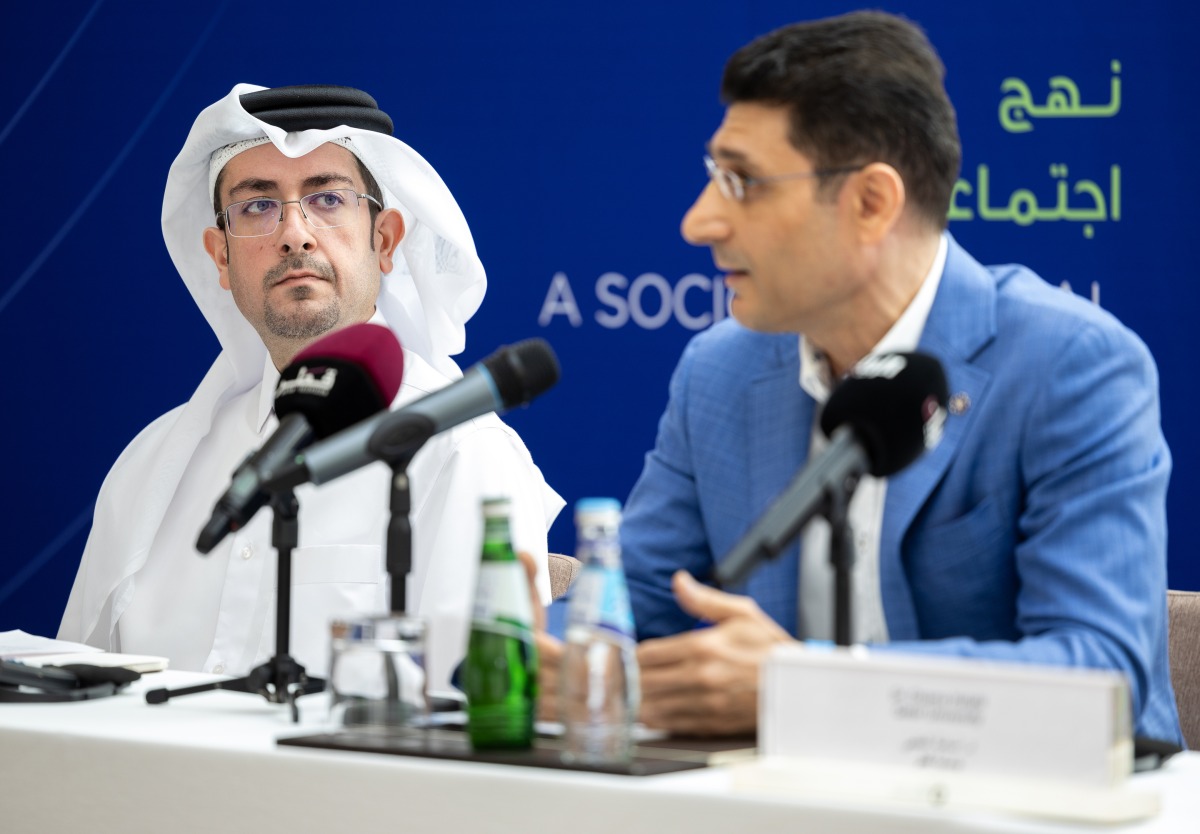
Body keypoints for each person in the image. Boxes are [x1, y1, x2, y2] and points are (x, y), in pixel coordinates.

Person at [541, 11, 1182, 744]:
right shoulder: (720, 372)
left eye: (741, 182)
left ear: (872, 202)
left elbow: (1103, 682)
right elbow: (641, 602)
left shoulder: (1071, 366)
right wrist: (545, 654)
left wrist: (805, 688)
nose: (698, 221)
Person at [58, 84, 563, 693]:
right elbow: (71, 698)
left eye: (326, 198)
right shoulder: (151, 467)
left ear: (385, 241)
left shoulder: (460, 452)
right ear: (220, 257)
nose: (295, 234)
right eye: (258, 207)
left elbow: (475, 724)